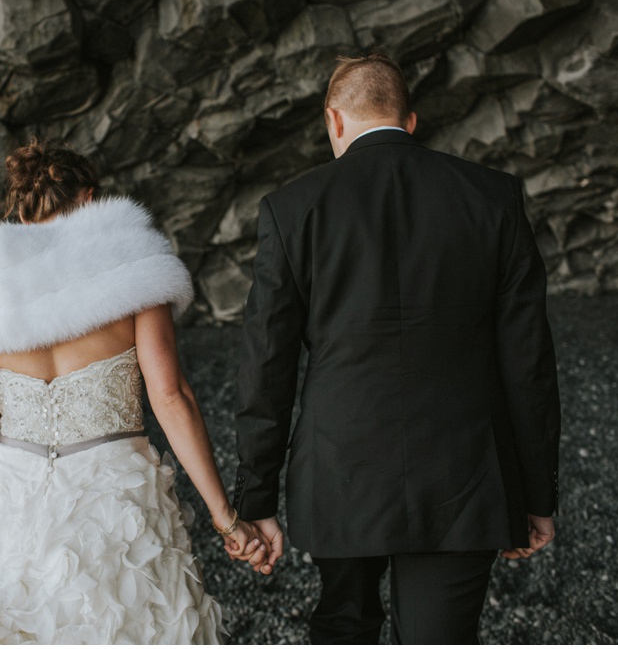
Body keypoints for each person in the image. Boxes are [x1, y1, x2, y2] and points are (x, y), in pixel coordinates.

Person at [0, 139, 268, 644]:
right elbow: (172, 398)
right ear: (90, 198)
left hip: (10, 496)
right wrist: (227, 520)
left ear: (21, 214)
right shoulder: (131, 267)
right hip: (118, 501)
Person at [232, 53, 561, 644]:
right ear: (411, 121)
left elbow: (266, 367)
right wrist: (535, 493)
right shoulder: (493, 198)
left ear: (334, 120)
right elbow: (529, 363)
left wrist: (255, 495)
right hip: (464, 476)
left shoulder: (290, 210)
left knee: (344, 626)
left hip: (341, 475)